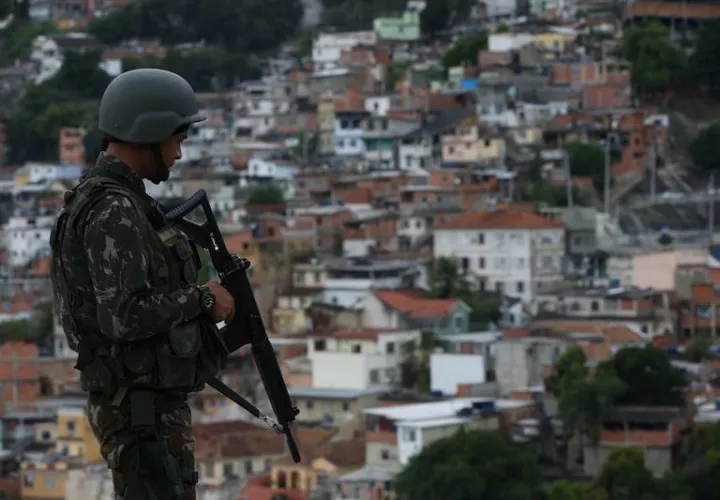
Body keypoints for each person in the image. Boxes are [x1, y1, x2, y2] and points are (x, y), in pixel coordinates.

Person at [50, 68, 236, 500]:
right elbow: (124, 316)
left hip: (143, 404)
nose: (179, 153)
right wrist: (201, 297)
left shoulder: (116, 201)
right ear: (149, 131)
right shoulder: (114, 210)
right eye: (178, 139)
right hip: (139, 409)